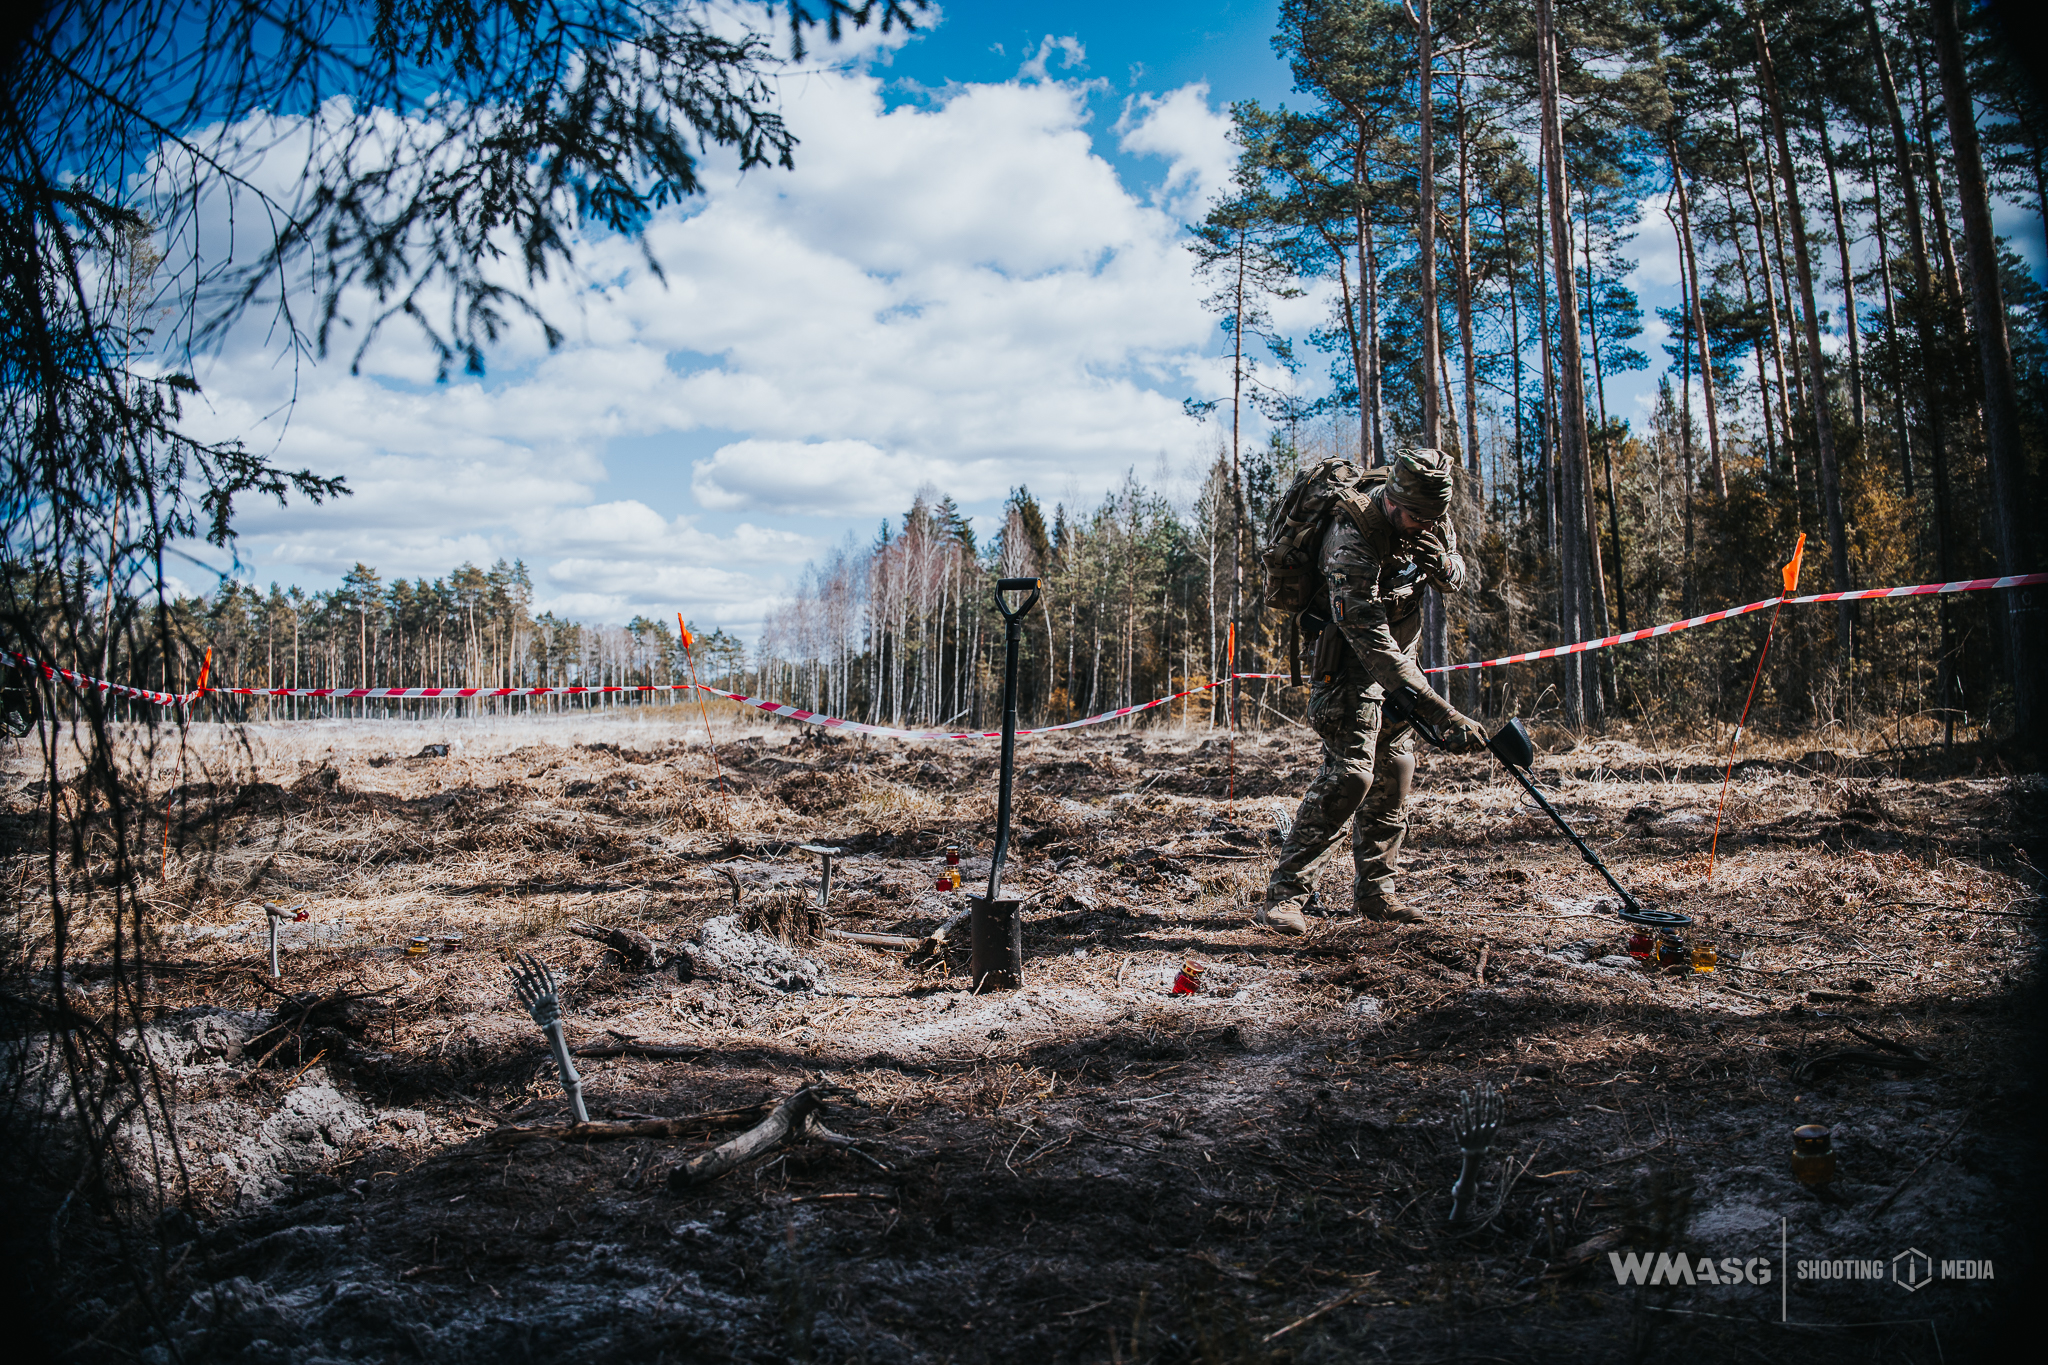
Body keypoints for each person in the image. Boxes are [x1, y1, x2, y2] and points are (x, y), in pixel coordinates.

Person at [1257, 447, 1487, 935]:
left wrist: (1444, 565)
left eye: (1433, 519)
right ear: (1393, 501)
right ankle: (1285, 895)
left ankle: (1377, 894)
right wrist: (1442, 712)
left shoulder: (1429, 518)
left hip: (1404, 659)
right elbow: (1370, 641)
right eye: (1415, 518)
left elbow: (1458, 574)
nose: (1424, 526)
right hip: (1349, 661)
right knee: (1351, 775)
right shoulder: (1349, 539)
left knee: (1396, 767)